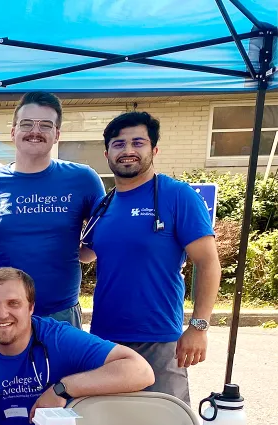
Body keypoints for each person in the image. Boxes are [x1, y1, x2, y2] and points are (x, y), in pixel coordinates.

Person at [81, 112, 219, 404]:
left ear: (154, 149)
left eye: (138, 142)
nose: (128, 150)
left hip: (158, 339)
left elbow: (208, 263)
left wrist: (199, 327)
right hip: (106, 339)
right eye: (119, 144)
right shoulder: (103, 205)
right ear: (107, 153)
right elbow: (85, 255)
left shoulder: (177, 196)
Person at [0, 267, 154, 425]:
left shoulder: (59, 339)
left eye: (13, 303)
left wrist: (63, 388)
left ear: (31, 307)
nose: (2, 314)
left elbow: (140, 371)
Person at [0, 92, 104, 328]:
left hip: (62, 314)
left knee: (67, 368)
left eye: (46, 125)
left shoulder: (84, 179)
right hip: (6, 314)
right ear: (13, 131)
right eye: (27, 124)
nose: (35, 131)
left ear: (57, 134)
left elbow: (100, 243)